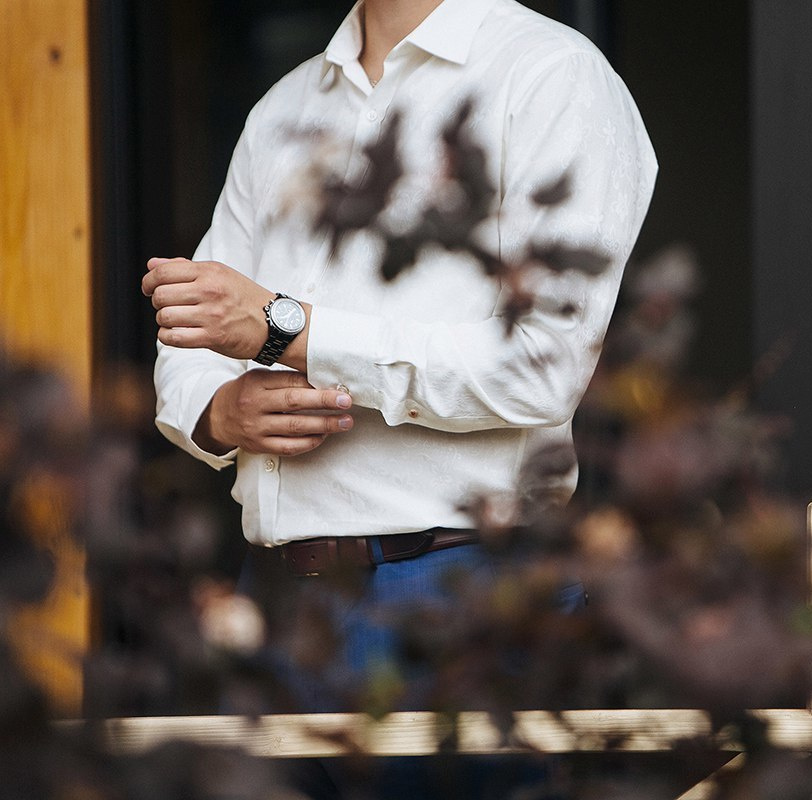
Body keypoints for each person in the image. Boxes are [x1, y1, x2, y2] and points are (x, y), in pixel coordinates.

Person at [144, 0, 656, 721]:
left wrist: (289, 332)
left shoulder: (551, 75)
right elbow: (194, 331)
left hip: (463, 589)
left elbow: (544, 363)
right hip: (278, 598)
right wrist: (218, 413)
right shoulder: (283, 108)